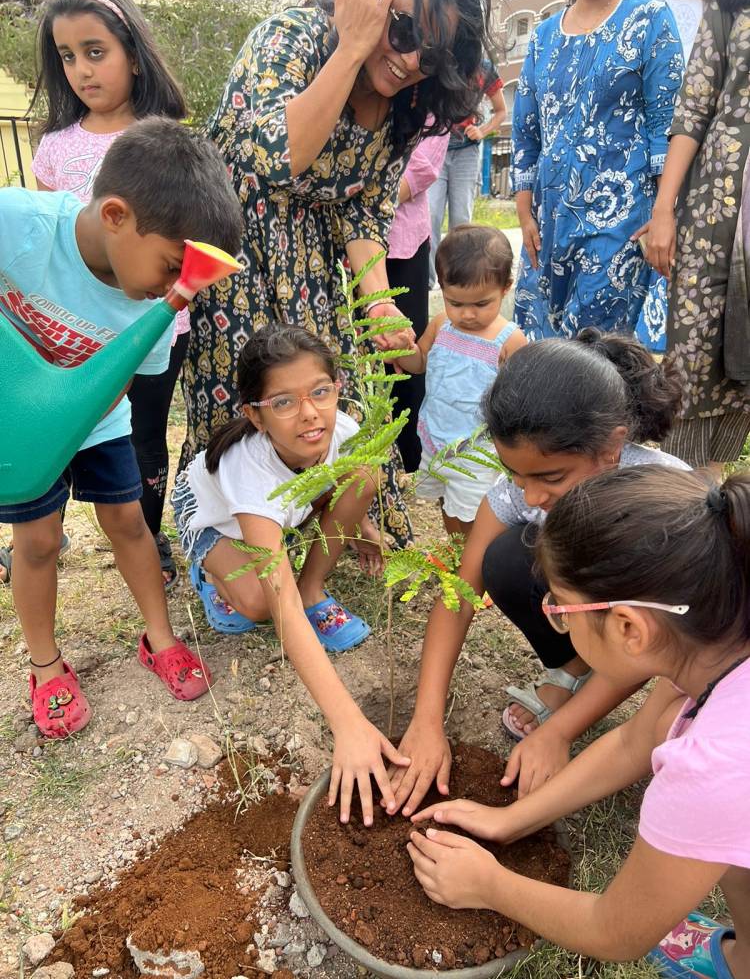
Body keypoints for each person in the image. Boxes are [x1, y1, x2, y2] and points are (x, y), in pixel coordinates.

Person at [180, 0, 494, 551]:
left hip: (316, 265)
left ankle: (323, 531)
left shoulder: (407, 101)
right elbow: (280, 157)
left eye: (433, 54)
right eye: (400, 29)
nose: (408, 60)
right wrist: (352, 48)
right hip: (239, 257)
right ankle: (236, 542)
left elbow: (366, 208)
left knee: (326, 396)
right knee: (251, 398)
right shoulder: (289, 41)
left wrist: (379, 305)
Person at [408, 466, 750, 979]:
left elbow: (617, 932)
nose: (557, 619)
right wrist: (508, 820)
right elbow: (637, 739)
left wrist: (489, 884)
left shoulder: (715, 764)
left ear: (629, 628)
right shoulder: (717, 641)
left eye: (561, 609)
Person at [0, 117, 243, 738]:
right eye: (168, 267)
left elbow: (127, 381)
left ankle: (158, 637)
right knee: (38, 542)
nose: (173, 289)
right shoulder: (17, 223)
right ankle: (46, 665)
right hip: (23, 430)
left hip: (99, 418)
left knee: (130, 523)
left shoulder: (157, 310)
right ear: (115, 215)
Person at [389, 330, 688, 812]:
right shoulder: (526, 484)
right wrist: (426, 719)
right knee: (503, 558)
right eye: (514, 475)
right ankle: (575, 663)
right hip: (602, 614)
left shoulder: (659, 499)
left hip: (662, 630)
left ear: (611, 447)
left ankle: (581, 675)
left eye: (550, 479)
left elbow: (654, 640)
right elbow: (459, 593)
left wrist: (560, 732)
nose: (528, 496)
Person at [172, 323, 410, 826]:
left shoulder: (339, 428)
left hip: (285, 508)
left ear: (336, 389)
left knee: (364, 475)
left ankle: (314, 588)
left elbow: (348, 477)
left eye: (320, 392)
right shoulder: (248, 472)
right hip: (214, 521)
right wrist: (348, 723)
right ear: (254, 415)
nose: (309, 413)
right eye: (283, 402)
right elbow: (277, 605)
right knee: (259, 606)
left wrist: (363, 523)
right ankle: (212, 574)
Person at [15, 0, 189, 591]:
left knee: (143, 438)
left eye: (95, 50)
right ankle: (39, 523)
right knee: (69, 425)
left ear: (133, 53)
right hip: (73, 333)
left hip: (153, 326)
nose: (81, 69)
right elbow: (47, 242)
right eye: (67, 56)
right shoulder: (56, 148)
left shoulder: (167, 137)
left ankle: (145, 530)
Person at [511, 0, 683, 341]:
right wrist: (524, 211)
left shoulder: (650, 18)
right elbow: (526, 130)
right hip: (548, 225)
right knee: (542, 356)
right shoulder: (542, 37)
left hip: (619, 225)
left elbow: (665, 127)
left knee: (601, 358)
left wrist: (664, 212)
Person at [634, 0, 750, 478]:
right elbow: (695, 106)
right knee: (698, 358)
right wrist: (665, 211)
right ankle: (699, 514)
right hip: (717, 211)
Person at [395, 224, 526, 536]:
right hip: (435, 436)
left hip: (478, 449)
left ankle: (471, 566)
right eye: (456, 303)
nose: (467, 314)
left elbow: (520, 398)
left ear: (505, 287)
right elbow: (419, 364)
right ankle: (454, 556)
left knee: (472, 514)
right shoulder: (441, 325)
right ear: (442, 288)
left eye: (481, 304)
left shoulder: (509, 340)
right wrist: (403, 350)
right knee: (445, 501)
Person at [386, 131, 450, 473]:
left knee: (402, 344)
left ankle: (408, 457)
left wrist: (367, 200)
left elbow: (422, 168)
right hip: (342, 243)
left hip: (402, 243)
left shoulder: (434, 105)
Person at [427, 58, 506, 289]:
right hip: (435, 149)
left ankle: (458, 279)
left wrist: (482, 130)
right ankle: (430, 282)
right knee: (430, 216)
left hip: (466, 153)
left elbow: (501, 111)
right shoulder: (439, 59)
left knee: (461, 220)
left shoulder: (485, 67)